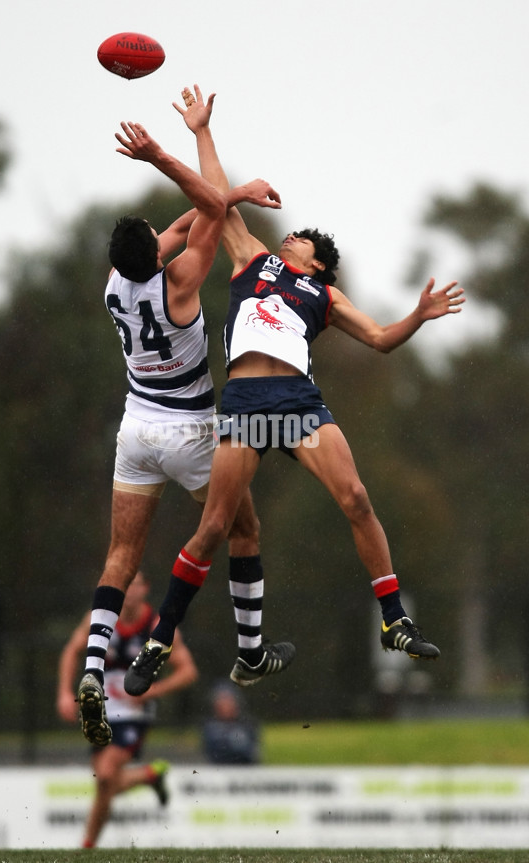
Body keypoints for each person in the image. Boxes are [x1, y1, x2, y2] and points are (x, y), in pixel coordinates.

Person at [123, 84, 466, 695]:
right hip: (247, 405)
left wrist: (419, 314)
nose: (287, 238)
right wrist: (201, 132)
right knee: (214, 528)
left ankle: (394, 622)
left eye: (299, 240)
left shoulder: (324, 295)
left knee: (357, 498)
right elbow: (213, 202)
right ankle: (158, 640)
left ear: (317, 263)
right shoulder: (254, 260)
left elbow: (383, 339)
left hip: (301, 404)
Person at [77, 116, 284, 746]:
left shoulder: (117, 284)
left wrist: (231, 192)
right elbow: (207, 209)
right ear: (157, 254)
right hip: (190, 429)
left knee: (121, 554)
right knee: (242, 528)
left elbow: (198, 212)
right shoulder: (182, 282)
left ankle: (93, 668)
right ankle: (250, 649)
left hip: (135, 428)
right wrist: (172, 158)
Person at [58, 570, 198, 848]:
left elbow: (188, 671)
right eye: (126, 585)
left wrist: (152, 692)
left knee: (107, 774)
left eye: (135, 585)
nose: (130, 591)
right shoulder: (99, 620)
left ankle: (87, 844)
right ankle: (148, 776)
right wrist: (63, 693)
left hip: (135, 714)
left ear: (145, 589)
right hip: (101, 712)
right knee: (104, 782)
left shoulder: (157, 626)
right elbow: (71, 651)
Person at [202, 682, 260, 765]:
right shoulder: (209, 727)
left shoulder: (248, 725)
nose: (225, 704)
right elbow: (211, 753)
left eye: (228, 700)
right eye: (221, 700)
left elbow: (252, 754)